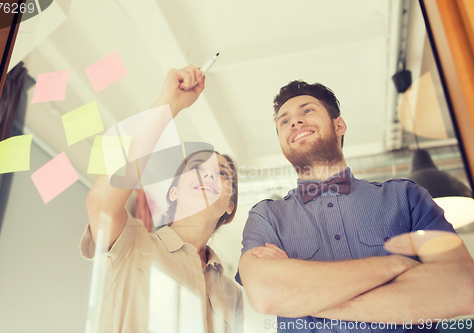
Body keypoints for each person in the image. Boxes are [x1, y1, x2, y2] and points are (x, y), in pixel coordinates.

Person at [236, 80, 474, 332]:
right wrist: (395, 266)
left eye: (307, 111)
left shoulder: (406, 196)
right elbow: (265, 295)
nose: (294, 122)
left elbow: (461, 287)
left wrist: (299, 300)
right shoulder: (266, 217)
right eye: (284, 121)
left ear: (339, 125)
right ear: (283, 146)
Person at [81, 65, 244, 333]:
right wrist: (168, 105)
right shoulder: (131, 243)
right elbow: (100, 204)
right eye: (197, 168)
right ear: (174, 191)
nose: (210, 175)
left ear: (230, 205)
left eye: (222, 174)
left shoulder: (232, 294)